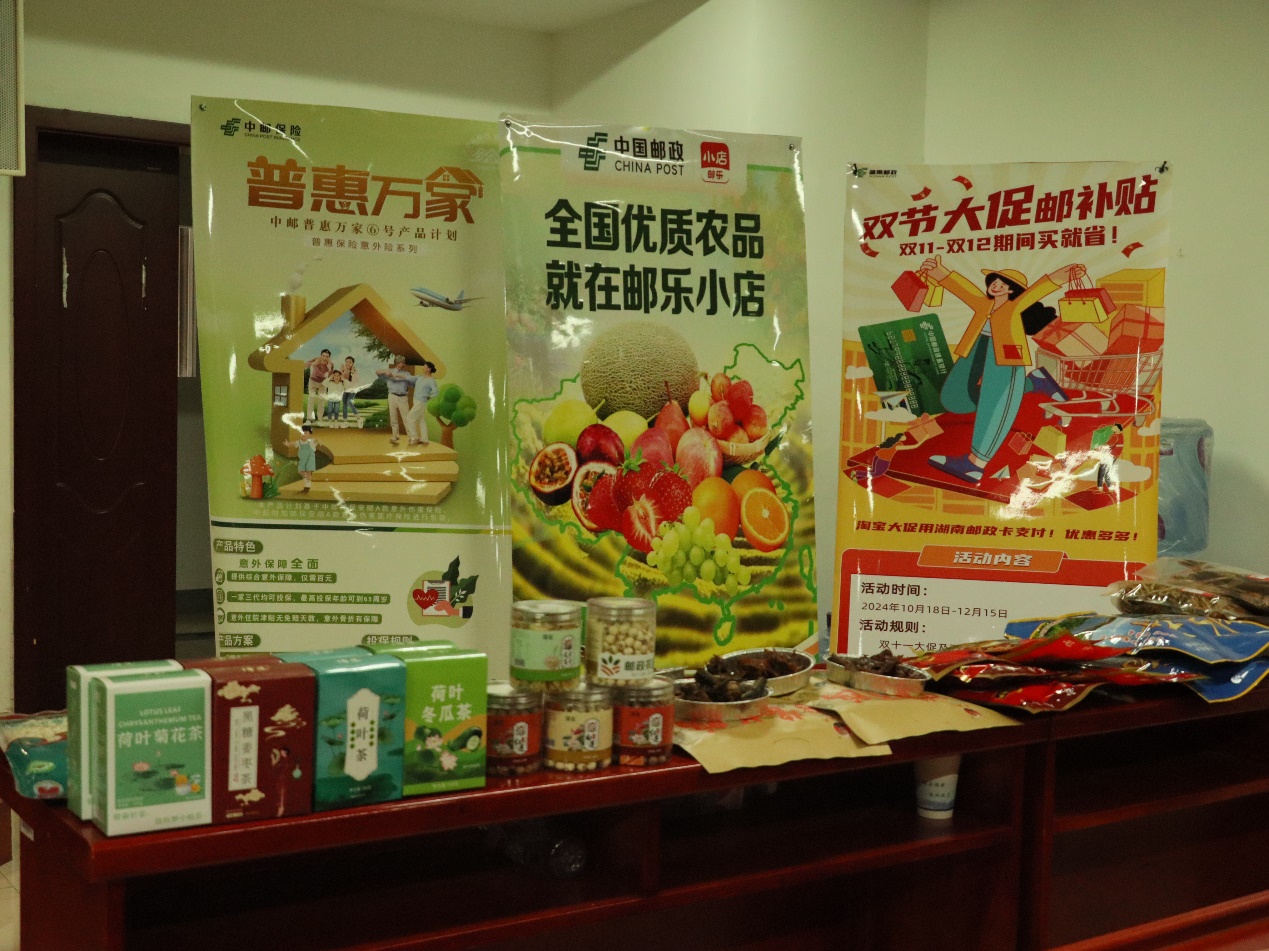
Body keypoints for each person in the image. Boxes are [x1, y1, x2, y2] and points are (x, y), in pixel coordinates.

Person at [921, 255, 1086, 484]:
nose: (996, 285)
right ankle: (1035, 382)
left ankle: (974, 465)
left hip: (1006, 358)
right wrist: (939, 273)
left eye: (1003, 283)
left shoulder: (1015, 306)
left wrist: (1061, 276)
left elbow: (1036, 291)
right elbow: (963, 290)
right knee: (954, 397)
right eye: (994, 281)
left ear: (1011, 290)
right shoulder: (984, 304)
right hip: (977, 349)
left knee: (995, 404)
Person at [376, 354, 413, 445]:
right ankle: (395, 436)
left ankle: (411, 437)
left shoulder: (406, 373)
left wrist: (395, 375)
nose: (404, 364)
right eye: (402, 362)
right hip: (392, 396)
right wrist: (385, 371)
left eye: (404, 362)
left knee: (406, 418)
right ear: (398, 363)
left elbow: (411, 382)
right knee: (393, 417)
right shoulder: (389, 371)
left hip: (403, 397)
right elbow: (377, 372)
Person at [405, 361, 439, 445]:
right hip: (415, 400)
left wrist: (429, 397)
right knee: (421, 420)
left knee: (409, 418)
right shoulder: (420, 377)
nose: (423, 368)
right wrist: (397, 376)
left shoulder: (431, 380)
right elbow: (410, 378)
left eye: (425, 366)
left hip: (421, 402)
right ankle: (424, 439)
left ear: (429, 369)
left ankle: (414, 437)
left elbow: (436, 392)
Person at [304, 349, 333, 422]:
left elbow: (330, 375)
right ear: (321, 355)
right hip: (313, 381)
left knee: (321, 400)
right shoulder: (316, 359)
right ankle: (309, 418)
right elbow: (305, 365)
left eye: (327, 356)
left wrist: (329, 367)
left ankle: (320, 418)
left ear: (329, 357)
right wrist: (314, 363)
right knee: (311, 399)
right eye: (323, 356)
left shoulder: (330, 364)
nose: (324, 358)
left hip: (322, 383)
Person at [289, 425, 319, 490]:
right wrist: (288, 443)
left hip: (310, 459)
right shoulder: (299, 442)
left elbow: (316, 441)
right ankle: (305, 477)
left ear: (309, 434)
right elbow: (294, 443)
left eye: (306, 433)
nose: (304, 435)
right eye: (302, 433)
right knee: (300, 471)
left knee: (308, 471)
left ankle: (308, 482)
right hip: (302, 459)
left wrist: (317, 441)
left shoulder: (311, 442)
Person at [340, 356, 361, 422]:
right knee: (344, 405)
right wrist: (342, 371)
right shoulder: (343, 370)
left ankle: (358, 417)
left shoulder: (355, 371)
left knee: (349, 401)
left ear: (352, 364)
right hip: (345, 390)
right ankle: (345, 421)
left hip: (352, 389)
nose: (347, 364)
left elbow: (353, 382)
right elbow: (340, 379)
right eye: (346, 362)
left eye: (350, 362)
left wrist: (352, 372)